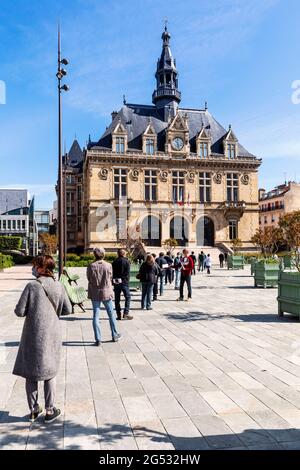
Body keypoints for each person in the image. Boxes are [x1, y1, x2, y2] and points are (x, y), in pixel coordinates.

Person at [13, 255, 72, 424]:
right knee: (50, 372)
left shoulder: (32, 286)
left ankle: (33, 410)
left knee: (31, 374)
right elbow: (67, 309)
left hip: (32, 335)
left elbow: (19, 311)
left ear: (40, 268)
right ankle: (50, 410)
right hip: (52, 335)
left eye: (34, 266)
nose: (33, 269)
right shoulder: (59, 285)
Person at [87, 247, 121, 346]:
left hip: (95, 292)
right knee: (111, 314)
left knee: (96, 316)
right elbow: (110, 277)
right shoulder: (108, 265)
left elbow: (89, 278)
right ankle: (114, 335)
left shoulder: (91, 265)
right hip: (106, 291)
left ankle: (98, 339)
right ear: (103, 254)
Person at [112, 248, 133, 320]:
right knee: (128, 297)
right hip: (124, 282)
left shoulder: (114, 262)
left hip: (116, 282)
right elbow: (127, 273)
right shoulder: (127, 261)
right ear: (124, 254)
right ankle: (126, 313)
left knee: (117, 299)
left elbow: (112, 273)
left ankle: (118, 314)